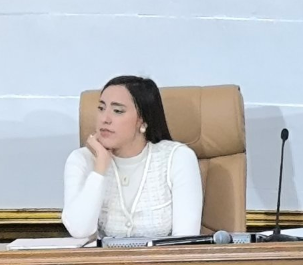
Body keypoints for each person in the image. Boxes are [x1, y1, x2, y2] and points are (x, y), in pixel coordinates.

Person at [62, 75, 203, 239]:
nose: (105, 119)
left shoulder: (177, 158)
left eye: (117, 111)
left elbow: (185, 241)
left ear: (142, 121)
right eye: (101, 108)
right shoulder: (81, 160)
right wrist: (100, 168)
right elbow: (79, 230)